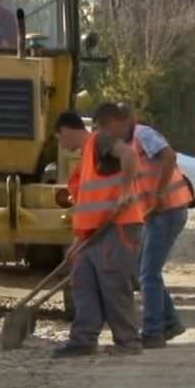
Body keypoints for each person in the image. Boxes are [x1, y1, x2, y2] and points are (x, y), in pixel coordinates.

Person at [52, 107, 146, 358]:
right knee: (84, 285)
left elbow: (128, 156)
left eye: (59, 138)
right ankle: (82, 341)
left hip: (118, 227)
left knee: (114, 285)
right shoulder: (86, 159)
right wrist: (77, 242)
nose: (61, 144)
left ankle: (128, 343)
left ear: (66, 130)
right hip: (93, 234)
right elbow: (88, 206)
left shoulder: (99, 140)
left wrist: (126, 192)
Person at [96, 103, 192, 349]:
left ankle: (152, 333)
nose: (105, 133)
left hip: (169, 209)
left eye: (105, 126)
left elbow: (169, 156)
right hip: (156, 213)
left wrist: (159, 195)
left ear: (119, 121)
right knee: (146, 270)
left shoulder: (143, 135)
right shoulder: (126, 146)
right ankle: (170, 322)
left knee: (147, 272)